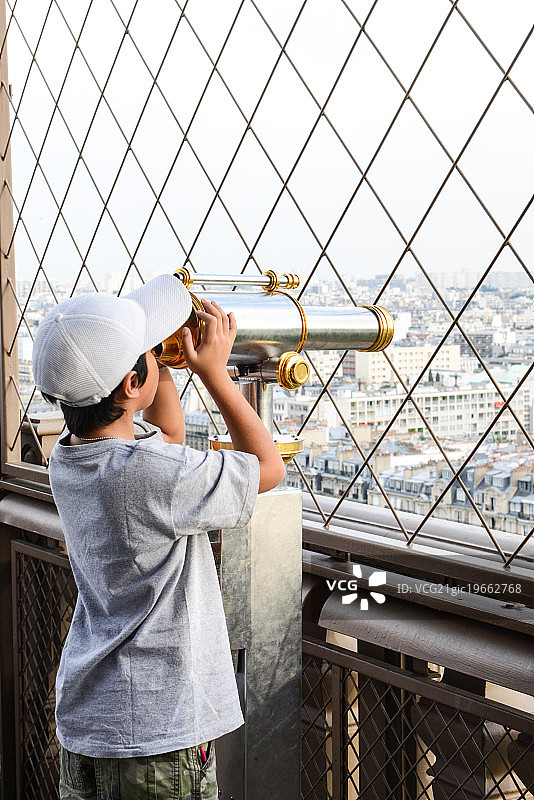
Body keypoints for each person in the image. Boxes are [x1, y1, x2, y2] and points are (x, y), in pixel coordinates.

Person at [31, 273, 286, 800]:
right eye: (149, 349)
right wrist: (216, 375)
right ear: (130, 385)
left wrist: (160, 361)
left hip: (92, 723)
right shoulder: (149, 475)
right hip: (154, 736)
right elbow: (266, 467)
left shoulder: (71, 456)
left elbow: (165, 434)